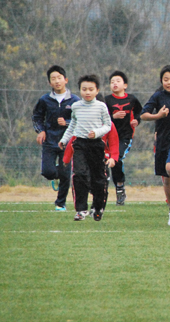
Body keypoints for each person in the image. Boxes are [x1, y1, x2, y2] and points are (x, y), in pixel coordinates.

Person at [58, 74, 112, 221]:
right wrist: (64, 139)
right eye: (84, 89)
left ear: (97, 90)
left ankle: (98, 206)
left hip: (96, 145)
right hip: (80, 144)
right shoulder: (76, 107)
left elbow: (108, 125)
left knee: (98, 178)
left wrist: (97, 133)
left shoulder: (101, 107)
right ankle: (81, 210)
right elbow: (73, 125)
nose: (87, 92)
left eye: (90, 89)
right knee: (79, 175)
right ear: (80, 90)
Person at [141, 65, 170, 226]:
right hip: (162, 141)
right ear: (161, 81)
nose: (169, 82)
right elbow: (143, 115)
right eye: (166, 80)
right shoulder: (158, 96)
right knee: (166, 180)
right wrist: (158, 115)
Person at [32, 65, 80, 211]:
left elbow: (81, 120)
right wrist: (40, 131)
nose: (57, 81)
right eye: (53, 79)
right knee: (48, 172)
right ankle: (59, 174)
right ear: (49, 83)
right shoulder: (45, 100)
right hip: (50, 141)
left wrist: (67, 122)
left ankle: (60, 203)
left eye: (59, 78)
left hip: (67, 142)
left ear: (65, 80)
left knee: (65, 174)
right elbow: (37, 117)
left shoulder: (75, 100)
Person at [63, 123, 119, 217]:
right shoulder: (83, 122)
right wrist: (66, 158)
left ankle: (97, 208)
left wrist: (113, 157)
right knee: (80, 178)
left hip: (102, 157)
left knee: (100, 182)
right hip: (84, 156)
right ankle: (81, 209)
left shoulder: (108, 123)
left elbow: (114, 141)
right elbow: (74, 140)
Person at [104, 71, 142, 205]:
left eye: (118, 81)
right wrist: (112, 118)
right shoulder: (106, 100)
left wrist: (136, 121)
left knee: (117, 159)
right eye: (112, 81)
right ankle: (101, 189)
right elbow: (101, 117)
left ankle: (120, 188)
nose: (114, 83)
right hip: (108, 137)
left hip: (125, 137)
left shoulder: (131, 99)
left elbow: (139, 112)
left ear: (125, 85)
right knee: (105, 161)